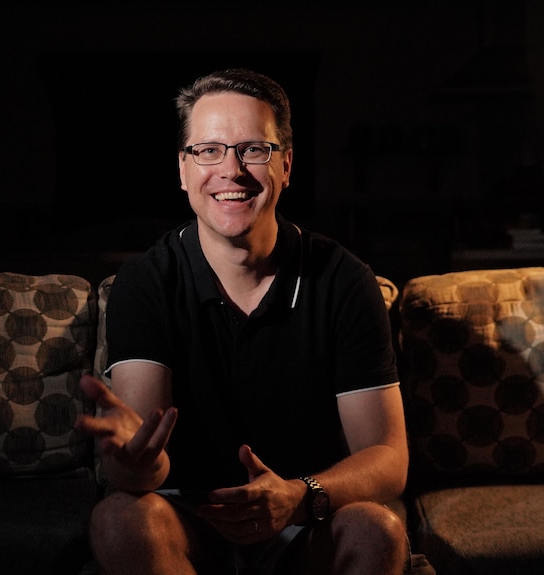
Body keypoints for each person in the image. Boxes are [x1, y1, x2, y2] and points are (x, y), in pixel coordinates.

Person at [76, 68, 417, 575]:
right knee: (118, 520)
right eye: (208, 150)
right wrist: (135, 463)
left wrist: (300, 497)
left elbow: (388, 457)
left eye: (254, 149)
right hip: (187, 520)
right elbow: (148, 458)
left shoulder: (344, 281)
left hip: (308, 519)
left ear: (286, 166)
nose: (231, 170)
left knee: (377, 530)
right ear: (183, 170)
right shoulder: (145, 282)